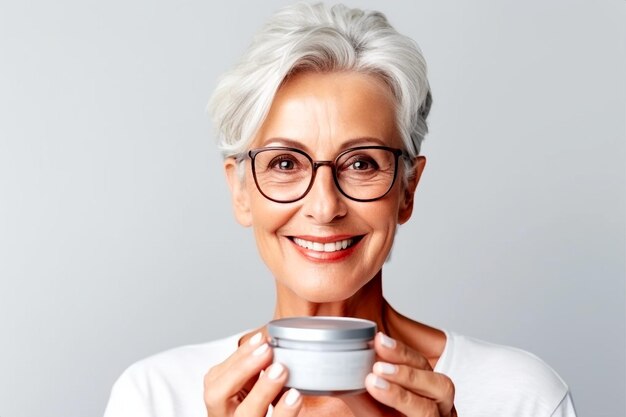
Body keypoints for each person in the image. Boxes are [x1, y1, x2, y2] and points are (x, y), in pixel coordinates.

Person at [103, 3, 577, 416]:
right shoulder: (153, 397)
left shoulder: (522, 396)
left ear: (407, 189)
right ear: (241, 191)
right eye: (285, 162)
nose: (325, 206)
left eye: (362, 163)